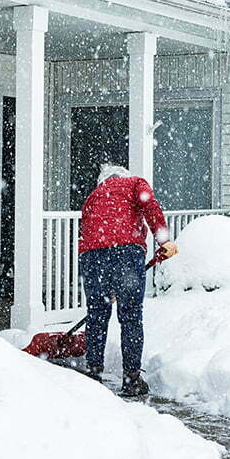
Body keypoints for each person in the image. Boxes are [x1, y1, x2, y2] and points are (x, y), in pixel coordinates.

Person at [78, 165, 178, 396]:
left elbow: (88, 230)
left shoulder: (93, 195)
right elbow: (151, 207)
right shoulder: (134, 183)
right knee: (130, 315)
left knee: (97, 314)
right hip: (126, 252)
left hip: (91, 256)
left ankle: (93, 373)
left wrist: (104, 279)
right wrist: (164, 241)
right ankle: (131, 379)